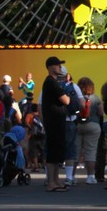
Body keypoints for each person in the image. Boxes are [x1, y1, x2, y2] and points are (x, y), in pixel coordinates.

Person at [41, 57, 70, 192]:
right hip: (53, 121)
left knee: (57, 152)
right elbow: (66, 100)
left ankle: (56, 180)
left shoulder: (53, 82)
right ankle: (52, 182)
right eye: (57, 65)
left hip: (56, 120)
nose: (60, 67)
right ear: (50, 67)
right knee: (53, 152)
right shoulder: (51, 82)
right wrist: (68, 96)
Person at [77, 77, 102, 184]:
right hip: (93, 125)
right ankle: (90, 176)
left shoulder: (77, 98)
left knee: (76, 150)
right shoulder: (96, 98)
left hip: (78, 125)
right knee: (91, 151)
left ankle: (71, 176)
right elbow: (101, 112)